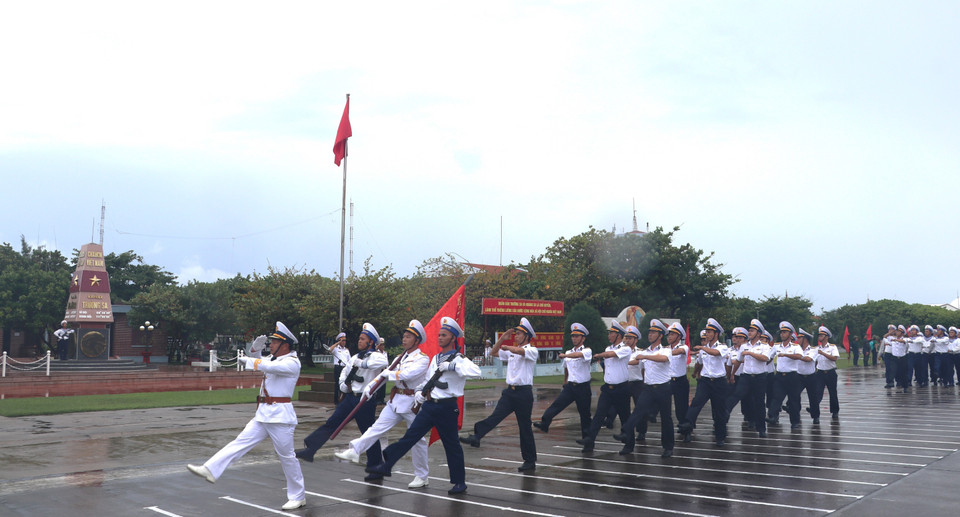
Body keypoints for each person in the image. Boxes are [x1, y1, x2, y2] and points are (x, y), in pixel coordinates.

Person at [187, 322, 306, 511]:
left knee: (287, 457)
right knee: (239, 442)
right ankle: (210, 469)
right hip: (264, 414)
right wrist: (254, 351)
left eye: (275, 342)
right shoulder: (275, 360)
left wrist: (251, 360)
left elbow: (266, 366)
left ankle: (298, 496)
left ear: (286, 345)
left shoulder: (292, 363)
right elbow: (265, 363)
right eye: (272, 341)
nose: (271, 345)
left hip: (281, 417)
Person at [365, 317, 481, 495]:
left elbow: (476, 372)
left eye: (444, 335)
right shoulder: (435, 359)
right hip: (429, 406)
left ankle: (459, 482)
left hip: (447, 407)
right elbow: (427, 380)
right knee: (411, 436)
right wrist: (419, 392)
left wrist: (452, 366)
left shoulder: (459, 358)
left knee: (452, 446)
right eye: (439, 334)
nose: (440, 337)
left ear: (453, 338)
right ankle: (386, 464)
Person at [335, 320, 431, 488]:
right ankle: (355, 450)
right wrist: (371, 387)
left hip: (411, 403)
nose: (404, 339)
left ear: (416, 341)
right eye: (404, 336)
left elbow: (407, 375)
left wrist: (390, 373)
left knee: (418, 440)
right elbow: (384, 377)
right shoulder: (400, 358)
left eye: (408, 337)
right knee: (376, 428)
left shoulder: (422, 359)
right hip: (395, 401)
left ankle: (422, 476)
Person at [295, 323, 388, 469]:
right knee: (332, 422)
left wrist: (362, 364)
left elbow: (382, 362)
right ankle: (311, 449)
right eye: (359, 338)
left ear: (370, 342)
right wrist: (344, 385)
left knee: (367, 432)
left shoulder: (376, 356)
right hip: (351, 398)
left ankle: (376, 464)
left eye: (363, 339)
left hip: (365, 400)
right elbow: (345, 372)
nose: (359, 341)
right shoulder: (355, 356)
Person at [460, 317, 538, 472]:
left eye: (519, 333)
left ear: (527, 336)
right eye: (516, 333)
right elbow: (494, 352)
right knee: (496, 416)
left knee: (525, 427)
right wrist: (502, 338)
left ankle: (530, 461)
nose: (516, 336)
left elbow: (519, 351)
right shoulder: (511, 351)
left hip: (524, 393)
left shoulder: (531, 350)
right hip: (510, 392)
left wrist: (509, 347)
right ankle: (477, 436)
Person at [614, 319, 675, 458]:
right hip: (648, 388)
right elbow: (641, 369)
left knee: (666, 418)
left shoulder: (666, 349)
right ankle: (626, 434)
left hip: (663, 388)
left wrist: (646, 356)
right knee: (637, 412)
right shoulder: (644, 352)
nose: (650, 335)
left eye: (654, 332)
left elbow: (663, 359)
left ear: (660, 335)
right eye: (650, 332)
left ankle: (668, 447)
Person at [576, 320, 632, 452]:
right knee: (599, 415)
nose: (609, 335)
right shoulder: (608, 347)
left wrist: (599, 355)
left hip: (621, 388)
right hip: (608, 388)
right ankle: (590, 439)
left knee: (625, 417)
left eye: (611, 333)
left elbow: (610, 355)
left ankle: (629, 444)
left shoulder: (625, 348)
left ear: (618, 335)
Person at [534, 323, 593, 438]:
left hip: (583, 387)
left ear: (583, 338)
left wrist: (566, 355)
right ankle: (545, 423)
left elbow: (578, 355)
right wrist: (565, 380)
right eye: (573, 336)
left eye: (577, 336)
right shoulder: (568, 352)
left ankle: (587, 441)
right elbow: (566, 367)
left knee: (585, 415)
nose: (574, 338)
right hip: (570, 386)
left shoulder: (587, 350)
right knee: (557, 405)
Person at [679, 318, 730, 446]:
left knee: (719, 410)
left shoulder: (722, 347)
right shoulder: (703, 349)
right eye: (706, 331)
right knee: (696, 403)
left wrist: (702, 347)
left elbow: (716, 353)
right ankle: (687, 425)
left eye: (709, 331)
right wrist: (695, 373)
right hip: (705, 382)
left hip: (719, 382)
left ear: (716, 334)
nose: (706, 334)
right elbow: (699, 363)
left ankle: (720, 437)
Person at [726, 325, 770, 437]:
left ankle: (761, 428)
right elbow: (738, 361)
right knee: (736, 395)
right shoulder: (744, 346)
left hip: (759, 377)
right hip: (746, 376)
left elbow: (765, 358)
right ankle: (725, 412)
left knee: (759, 403)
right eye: (749, 330)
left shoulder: (764, 346)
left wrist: (750, 353)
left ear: (758, 334)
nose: (749, 333)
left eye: (752, 331)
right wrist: (732, 374)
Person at [768, 322, 803, 429]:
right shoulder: (776, 346)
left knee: (793, 400)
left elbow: (799, 356)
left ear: (790, 334)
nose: (782, 334)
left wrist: (786, 354)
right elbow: (769, 357)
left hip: (792, 377)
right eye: (781, 332)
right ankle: (772, 417)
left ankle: (795, 422)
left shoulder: (795, 346)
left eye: (784, 332)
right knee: (776, 397)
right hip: (779, 376)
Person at [666, 322, 690, 434]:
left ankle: (686, 430)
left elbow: (678, 352)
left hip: (680, 382)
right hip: (668, 381)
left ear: (679, 337)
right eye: (668, 334)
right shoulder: (665, 349)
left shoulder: (683, 347)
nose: (669, 336)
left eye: (672, 334)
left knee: (681, 408)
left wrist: (664, 353)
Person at [815, 326, 840, 420]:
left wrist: (823, 353)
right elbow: (815, 361)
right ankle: (814, 409)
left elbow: (834, 358)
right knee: (817, 392)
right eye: (819, 335)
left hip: (830, 372)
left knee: (832, 393)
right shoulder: (817, 348)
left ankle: (835, 411)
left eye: (821, 335)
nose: (819, 337)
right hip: (820, 373)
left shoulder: (832, 347)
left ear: (826, 337)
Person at [795, 328, 820, 424]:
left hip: (811, 377)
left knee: (813, 398)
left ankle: (815, 416)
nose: (797, 340)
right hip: (799, 376)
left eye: (799, 338)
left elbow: (808, 359)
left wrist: (797, 356)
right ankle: (796, 415)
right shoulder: (797, 349)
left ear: (805, 339)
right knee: (795, 396)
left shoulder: (813, 350)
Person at [330, 332, 351, 403]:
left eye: (345, 340)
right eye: (342, 340)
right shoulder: (336, 349)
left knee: (344, 383)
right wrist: (337, 343)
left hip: (344, 368)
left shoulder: (346, 350)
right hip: (338, 367)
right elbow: (329, 350)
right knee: (337, 384)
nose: (344, 342)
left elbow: (349, 360)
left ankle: (343, 399)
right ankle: (336, 400)